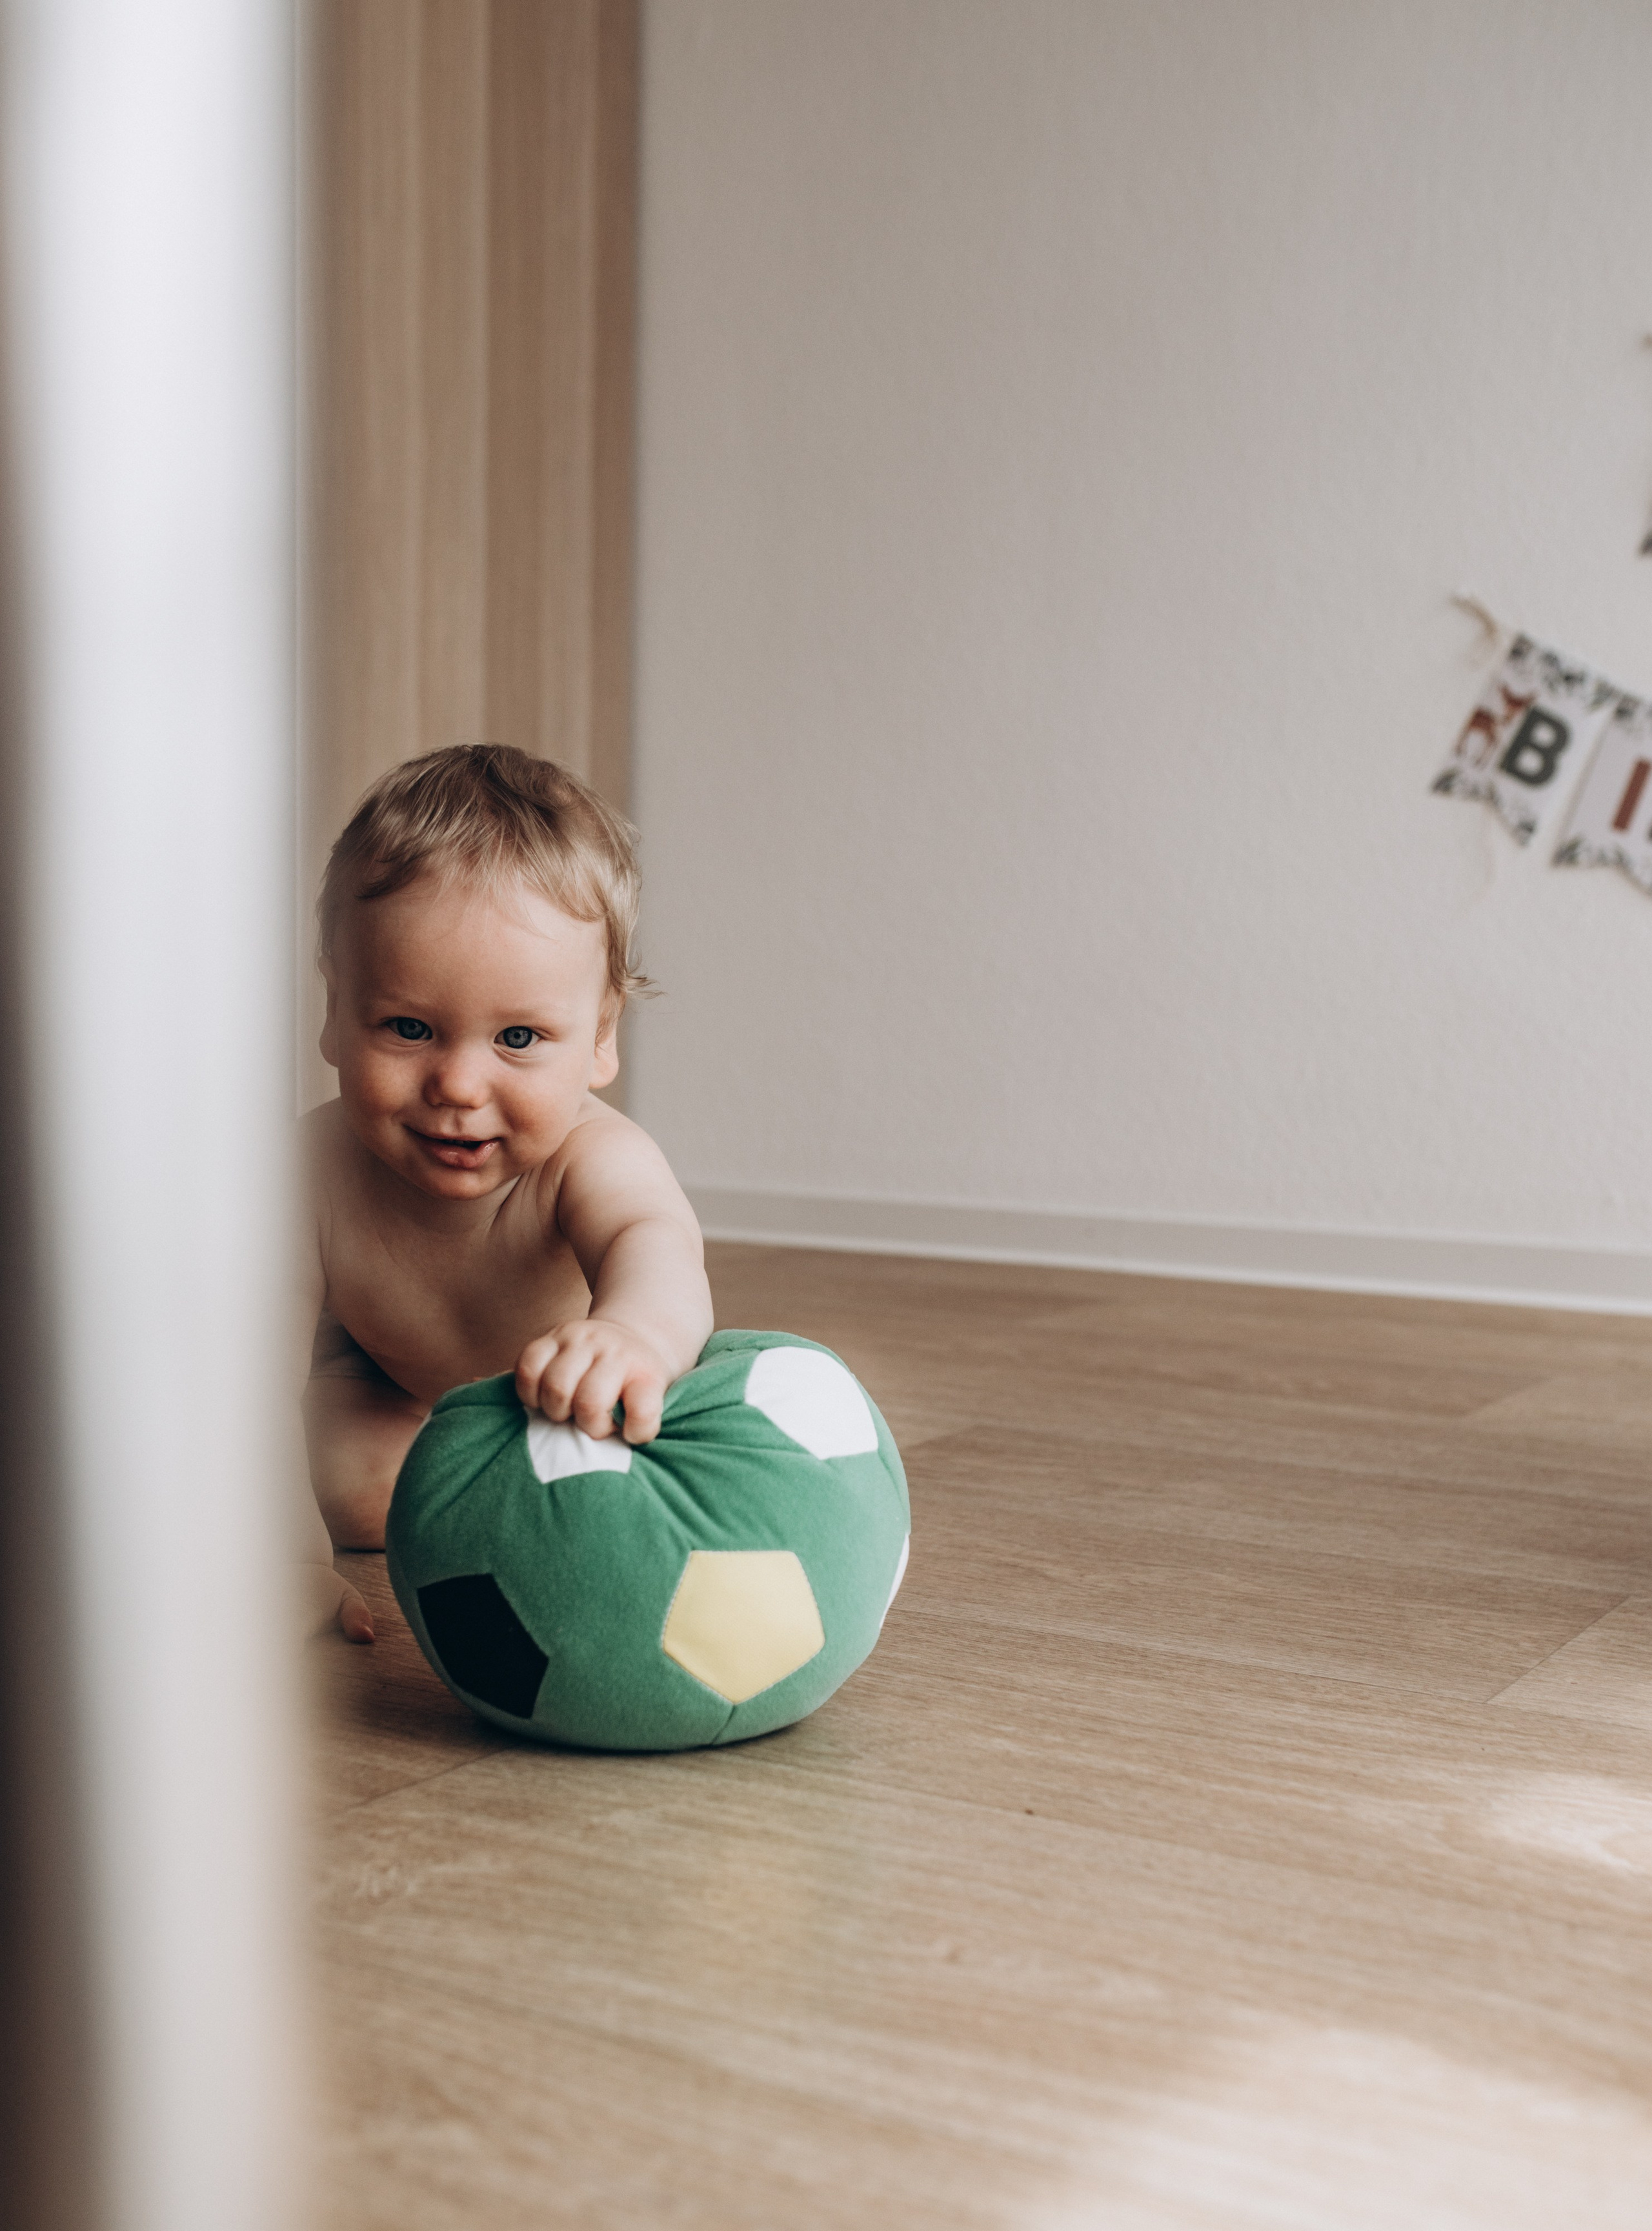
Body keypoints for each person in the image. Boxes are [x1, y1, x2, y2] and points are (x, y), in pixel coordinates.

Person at [299, 744, 712, 1641]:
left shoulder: (591, 1157)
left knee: (636, 1462)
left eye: (518, 1037)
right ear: (337, 1015)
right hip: (380, 1391)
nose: (458, 1082)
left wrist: (633, 1335)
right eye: (409, 1027)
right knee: (279, 1459)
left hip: (561, 1406)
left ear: (601, 1041)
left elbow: (659, 1246)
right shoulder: (313, 1173)